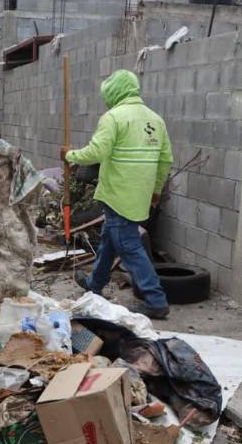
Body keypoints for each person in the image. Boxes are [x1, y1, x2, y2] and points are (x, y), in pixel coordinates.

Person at [62, 69, 173, 319]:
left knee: (128, 245)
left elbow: (96, 152)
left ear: (114, 92)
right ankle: (95, 284)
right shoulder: (156, 120)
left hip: (117, 194)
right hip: (139, 195)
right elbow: (166, 159)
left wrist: (70, 155)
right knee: (109, 239)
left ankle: (156, 300)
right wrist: (156, 190)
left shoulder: (113, 117)